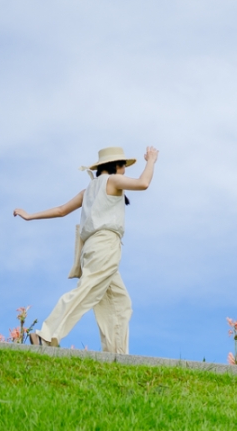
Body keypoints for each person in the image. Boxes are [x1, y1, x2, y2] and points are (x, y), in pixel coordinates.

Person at [13, 146, 159, 353]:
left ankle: (116, 356)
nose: (124, 170)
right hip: (105, 245)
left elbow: (61, 210)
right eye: (123, 166)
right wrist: (151, 160)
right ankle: (45, 334)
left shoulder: (89, 190)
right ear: (115, 166)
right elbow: (143, 183)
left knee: (119, 301)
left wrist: (30, 215)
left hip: (92, 248)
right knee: (86, 290)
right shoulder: (112, 181)